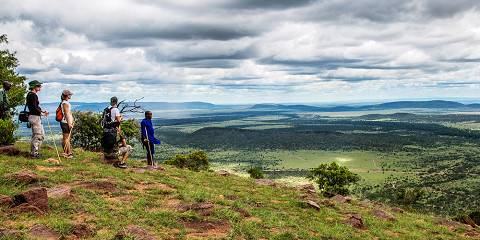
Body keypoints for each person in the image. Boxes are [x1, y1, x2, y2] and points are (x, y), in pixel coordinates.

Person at [26, 80, 48, 158]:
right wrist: (42, 113)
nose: (40, 87)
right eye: (38, 86)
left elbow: (35, 107)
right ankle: (34, 153)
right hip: (35, 117)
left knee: (40, 135)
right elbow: (34, 108)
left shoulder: (30, 94)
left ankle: (35, 152)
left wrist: (42, 111)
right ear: (34, 87)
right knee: (38, 135)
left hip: (34, 117)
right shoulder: (33, 95)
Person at [101, 97, 124, 165]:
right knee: (114, 144)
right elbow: (118, 120)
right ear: (116, 102)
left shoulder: (106, 109)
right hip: (113, 130)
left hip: (106, 130)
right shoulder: (115, 109)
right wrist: (121, 117)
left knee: (107, 144)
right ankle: (114, 160)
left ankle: (106, 157)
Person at [60, 90, 74, 158]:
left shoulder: (64, 102)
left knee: (66, 138)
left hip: (65, 122)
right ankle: (69, 153)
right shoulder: (65, 103)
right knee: (66, 138)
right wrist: (69, 123)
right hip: (65, 122)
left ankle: (66, 152)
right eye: (69, 94)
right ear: (67, 95)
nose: (70, 96)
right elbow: (66, 113)